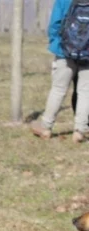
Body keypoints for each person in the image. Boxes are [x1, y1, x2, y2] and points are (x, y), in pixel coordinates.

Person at [33, 0, 89, 142]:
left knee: (58, 90)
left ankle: (46, 127)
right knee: (85, 92)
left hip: (64, 51)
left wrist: (56, 43)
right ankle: (80, 131)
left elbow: (55, 24)